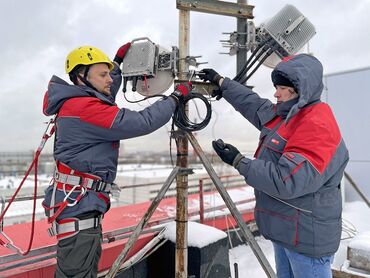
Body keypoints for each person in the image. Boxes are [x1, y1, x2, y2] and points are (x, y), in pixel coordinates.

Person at [42, 44, 192, 277]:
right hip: (79, 211)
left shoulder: (78, 101)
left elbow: (105, 93)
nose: (109, 80)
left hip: (79, 208)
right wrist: (175, 97)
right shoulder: (85, 107)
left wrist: (117, 63)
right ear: (81, 77)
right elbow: (141, 122)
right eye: (103, 75)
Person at [199, 54, 349, 278]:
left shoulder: (317, 125)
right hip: (288, 230)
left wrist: (239, 161)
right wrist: (222, 83)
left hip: (307, 239)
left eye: (281, 88)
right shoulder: (288, 113)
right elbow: (255, 105)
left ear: (300, 90)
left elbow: (287, 181)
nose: (275, 93)